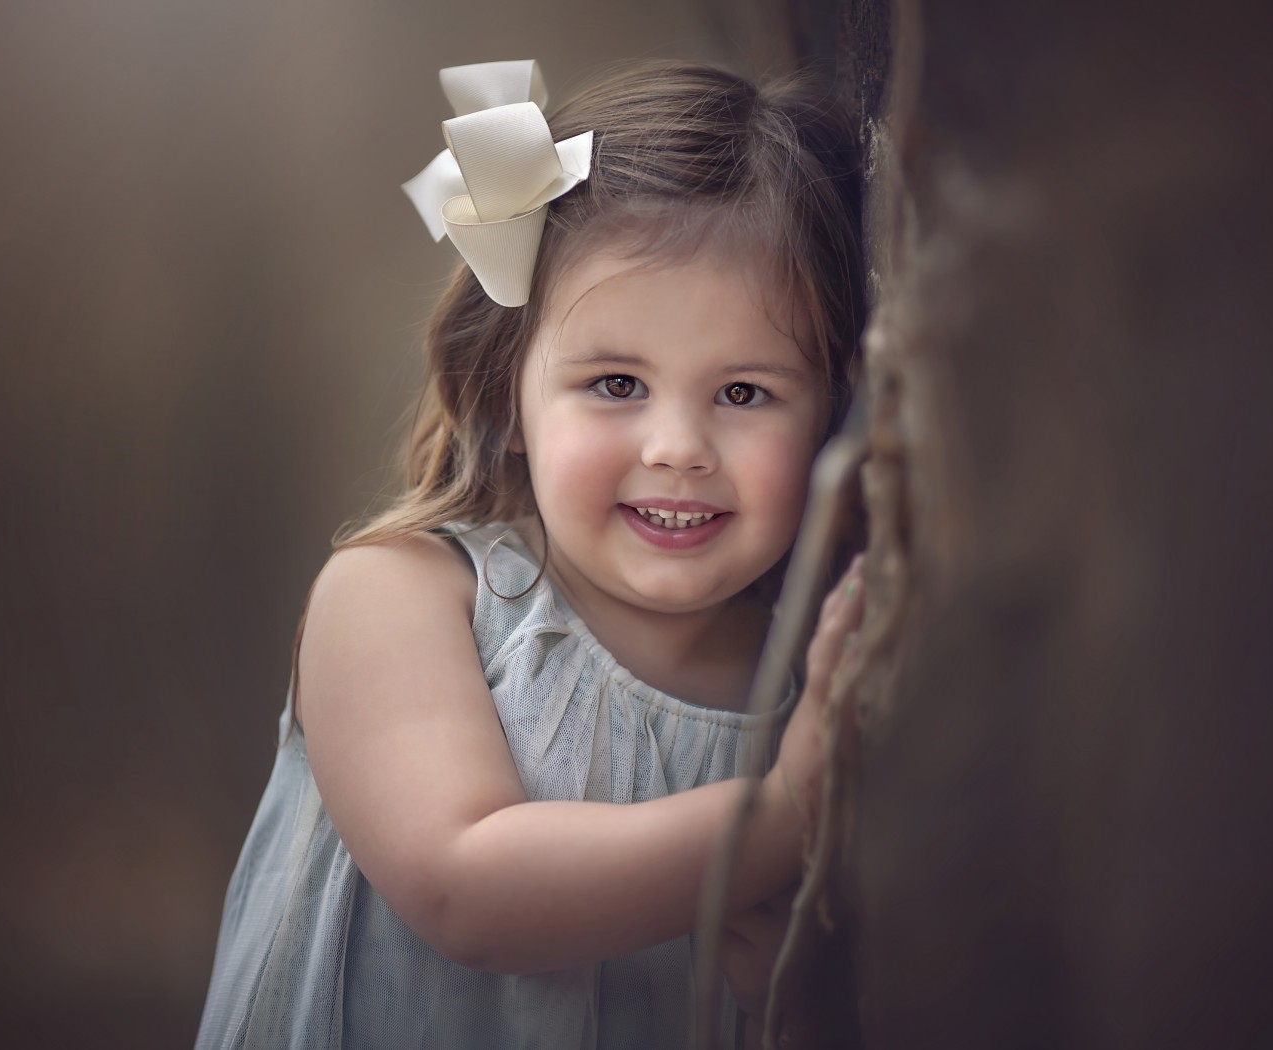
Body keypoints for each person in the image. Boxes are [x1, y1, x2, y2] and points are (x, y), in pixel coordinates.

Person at [195, 58, 866, 1049]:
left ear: (830, 418)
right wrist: (775, 823)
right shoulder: (402, 600)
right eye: (615, 384)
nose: (677, 446)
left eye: (743, 394)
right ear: (507, 396)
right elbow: (469, 886)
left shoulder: (807, 680)